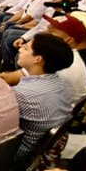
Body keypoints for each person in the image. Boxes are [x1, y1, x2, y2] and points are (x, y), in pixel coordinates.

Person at [13, 33, 74, 161]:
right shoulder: (62, 83)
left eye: (25, 48)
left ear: (38, 59)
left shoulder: (23, 93)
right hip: (43, 145)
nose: (20, 49)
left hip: (20, 153)